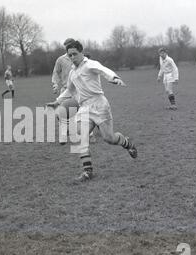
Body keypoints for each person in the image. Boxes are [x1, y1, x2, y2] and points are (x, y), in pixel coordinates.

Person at [47, 40, 137, 182]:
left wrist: (114, 78)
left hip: (99, 104)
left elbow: (103, 70)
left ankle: (127, 143)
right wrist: (58, 101)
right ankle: (87, 171)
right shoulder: (72, 72)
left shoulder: (90, 65)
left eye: (74, 54)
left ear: (81, 52)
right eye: (69, 55)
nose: (72, 58)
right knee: (80, 135)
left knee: (109, 138)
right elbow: (70, 90)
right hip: (84, 107)